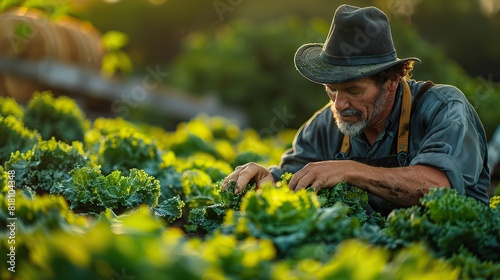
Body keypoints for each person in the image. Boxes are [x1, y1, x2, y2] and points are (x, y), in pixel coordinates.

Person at [222, 4, 490, 215]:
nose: (338, 104)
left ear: (392, 80)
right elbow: (291, 178)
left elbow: (438, 187)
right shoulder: (324, 125)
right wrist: (267, 178)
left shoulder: (444, 108)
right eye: (331, 89)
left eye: (353, 90)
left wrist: (350, 170)